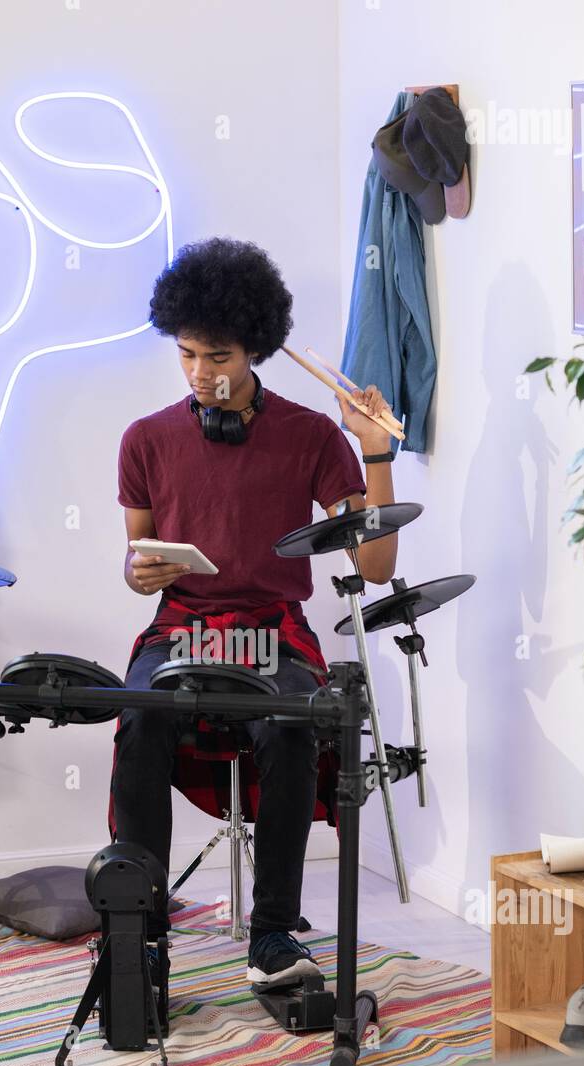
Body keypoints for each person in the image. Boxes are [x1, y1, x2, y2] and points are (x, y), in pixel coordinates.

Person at [111, 237, 397, 991]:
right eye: (186, 355)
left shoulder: (310, 437)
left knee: (295, 724)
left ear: (256, 348)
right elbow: (139, 567)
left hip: (275, 623)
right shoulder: (144, 439)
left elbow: (373, 567)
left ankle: (273, 931)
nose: (201, 374)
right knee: (139, 717)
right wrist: (142, 571)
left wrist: (373, 453)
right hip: (182, 622)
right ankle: (138, 930)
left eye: (220, 355)